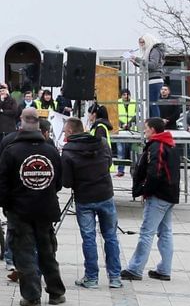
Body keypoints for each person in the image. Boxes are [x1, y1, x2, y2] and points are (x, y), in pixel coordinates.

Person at [0, 108, 65, 306]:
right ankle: (56, 292)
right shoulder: (51, 151)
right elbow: (58, 182)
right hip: (45, 209)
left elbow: (2, 184)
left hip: (20, 210)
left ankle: (32, 296)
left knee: (24, 253)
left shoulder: (12, 150)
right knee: (47, 251)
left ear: (21, 121)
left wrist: (6, 206)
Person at [58, 116, 122, 289]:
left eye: (64, 131)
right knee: (110, 237)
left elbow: (67, 182)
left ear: (70, 131)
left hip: (84, 198)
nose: (63, 134)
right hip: (105, 194)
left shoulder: (69, 150)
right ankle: (115, 277)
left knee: (89, 238)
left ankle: (91, 278)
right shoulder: (101, 142)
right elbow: (109, 162)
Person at [122, 117, 182, 282]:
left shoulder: (158, 146)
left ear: (153, 130)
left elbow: (154, 173)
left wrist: (144, 190)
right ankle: (164, 269)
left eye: (146, 128)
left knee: (147, 232)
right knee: (165, 232)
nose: (144, 130)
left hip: (159, 195)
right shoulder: (169, 144)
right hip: (169, 194)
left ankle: (135, 268)